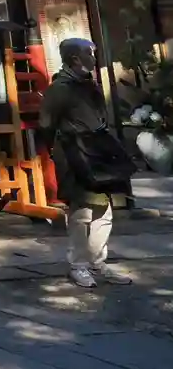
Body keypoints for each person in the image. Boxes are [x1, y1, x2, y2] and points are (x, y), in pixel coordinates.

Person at [39, 37, 135, 289]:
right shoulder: (60, 88)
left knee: (104, 211)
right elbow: (46, 124)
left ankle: (97, 261)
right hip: (74, 154)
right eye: (90, 53)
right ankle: (78, 265)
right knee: (82, 212)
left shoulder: (88, 84)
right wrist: (57, 150)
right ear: (75, 58)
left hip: (97, 152)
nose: (94, 57)